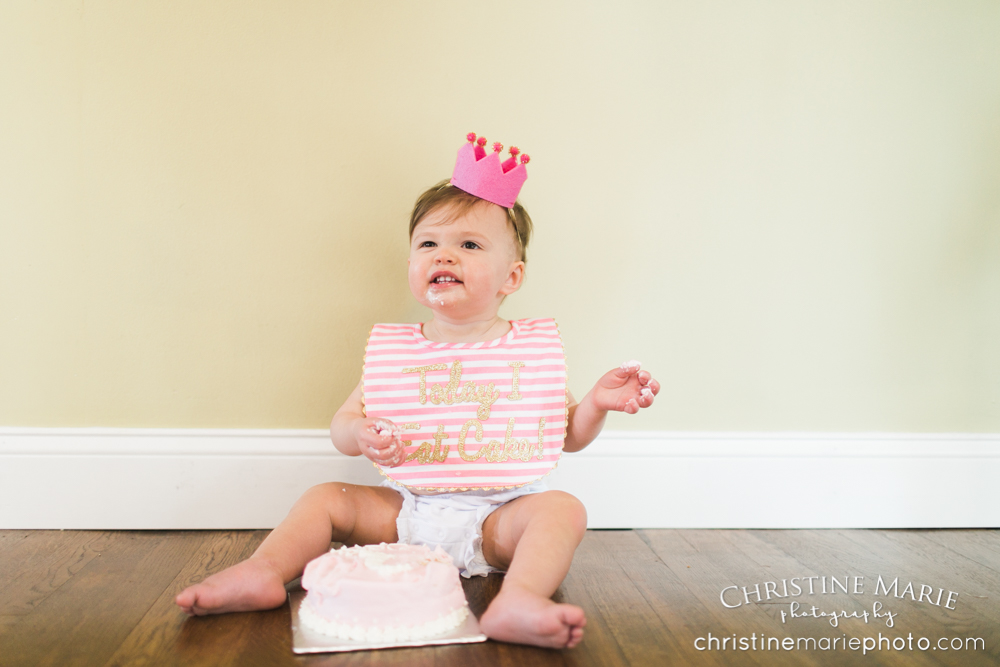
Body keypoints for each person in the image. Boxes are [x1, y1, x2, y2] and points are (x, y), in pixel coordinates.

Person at [175, 133, 659, 650]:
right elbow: (341, 428)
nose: (443, 254)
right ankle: (262, 571)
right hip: (406, 513)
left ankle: (520, 598)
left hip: (498, 519)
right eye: (428, 243)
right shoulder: (398, 353)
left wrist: (595, 405)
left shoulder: (525, 353)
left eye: (469, 244)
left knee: (562, 509)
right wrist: (359, 432)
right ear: (411, 264)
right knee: (323, 499)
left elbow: (566, 436)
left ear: (511, 276)